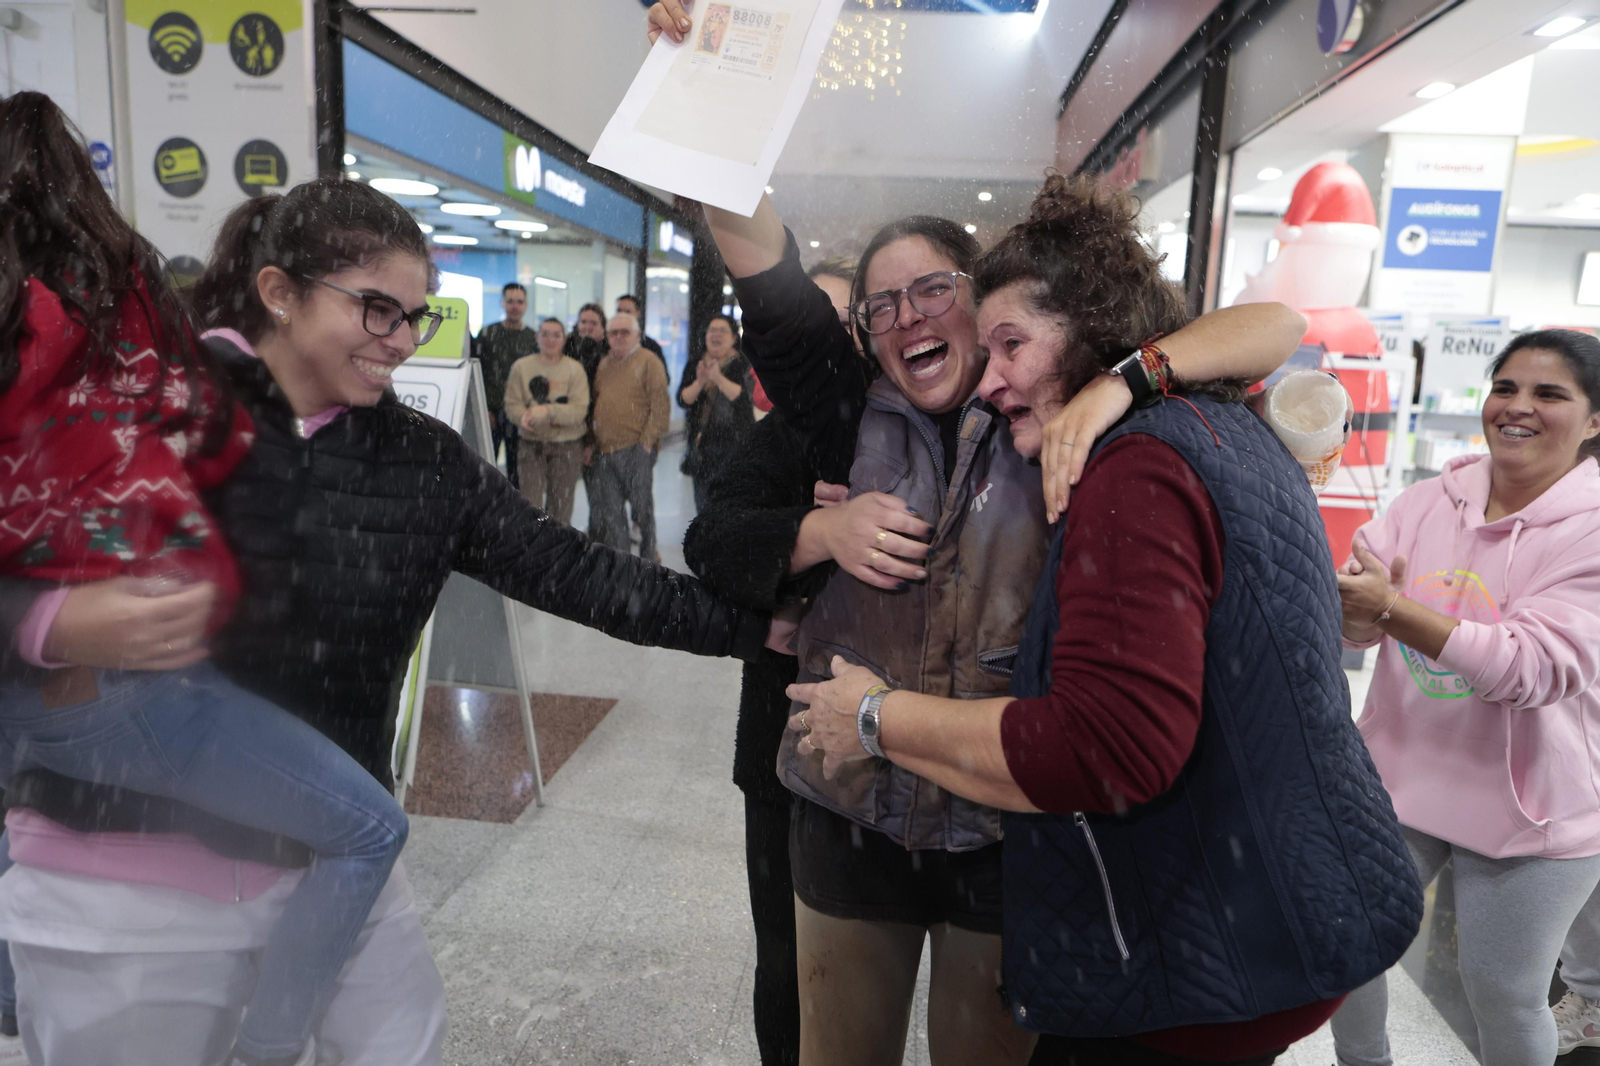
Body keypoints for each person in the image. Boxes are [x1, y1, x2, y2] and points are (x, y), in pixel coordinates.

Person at [0, 174, 779, 1066]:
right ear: (280, 292)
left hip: (332, 870)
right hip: (118, 891)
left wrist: (749, 626)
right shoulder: (137, 406)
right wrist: (51, 626)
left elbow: (574, 570)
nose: (403, 343)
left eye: (418, 317)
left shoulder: (421, 459)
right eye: (378, 311)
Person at [669, 150, 1311, 1066]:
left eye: (932, 290)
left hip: (1004, 828)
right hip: (852, 814)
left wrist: (1122, 382)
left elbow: (1277, 326)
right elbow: (768, 285)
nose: (908, 317)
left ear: (983, 298)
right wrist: (711, 119)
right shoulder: (844, 407)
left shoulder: (1060, 404)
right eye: (881, 307)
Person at [785, 174, 1424, 1065]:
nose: (993, 372)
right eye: (881, 304)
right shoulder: (1210, 418)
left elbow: (1104, 748)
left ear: (1083, 327)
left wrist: (870, 716)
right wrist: (813, 535)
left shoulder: (1129, 466)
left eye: (1003, 338)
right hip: (1273, 894)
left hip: (1200, 927)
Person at [0, 90, 413, 1066]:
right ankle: (267, 1048)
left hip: (41, 698)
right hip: (130, 694)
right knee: (367, 828)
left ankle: (12, 984)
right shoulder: (122, 305)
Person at [1329, 329, 1600, 1066]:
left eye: (1550, 394)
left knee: (1503, 994)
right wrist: (1359, 612)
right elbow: (1362, 604)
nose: (1518, 407)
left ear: (1596, 420)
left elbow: (1531, 670)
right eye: (1506, 387)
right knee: (1342, 941)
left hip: (1537, 806)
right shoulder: (1426, 501)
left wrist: (1393, 612)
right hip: (1404, 777)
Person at [681, 257, 864, 1066]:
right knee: (785, 962)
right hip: (782, 749)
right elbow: (709, 538)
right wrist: (810, 534)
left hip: (908, 753)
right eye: (792, 325)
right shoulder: (778, 436)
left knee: (873, 971)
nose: (809, 347)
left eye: (832, 325)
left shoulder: (921, 424)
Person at [589, 311, 670, 561]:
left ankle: (648, 559)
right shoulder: (604, 364)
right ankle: (623, 563)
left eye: (625, 332)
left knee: (642, 510)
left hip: (637, 448)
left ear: (637, 335)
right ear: (607, 336)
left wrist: (648, 442)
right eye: (614, 332)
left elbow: (660, 404)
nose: (619, 337)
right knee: (612, 513)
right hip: (605, 450)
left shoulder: (649, 361)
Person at [504, 316, 589, 523]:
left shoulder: (575, 369)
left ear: (564, 338)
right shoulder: (521, 367)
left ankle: (558, 551)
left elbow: (578, 411)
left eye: (556, 335)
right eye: (545, 334)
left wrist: (547, 411)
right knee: (530, 505)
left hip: (566, 445)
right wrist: (521, 416)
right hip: (531, 444)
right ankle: (533, 551)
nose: (550, 339)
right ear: (537, 337)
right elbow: (511, 404)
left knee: (561, 506)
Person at [678, 314, 754, 511]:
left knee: (729, 504)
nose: (716, 335)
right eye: (712, 330)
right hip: (702, 446)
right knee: (702, 503)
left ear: (733, 338)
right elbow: (683, 399)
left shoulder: (742, 364)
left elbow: (744, 401)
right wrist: (700, 382)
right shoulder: (696, 363)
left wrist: (718, 378)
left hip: (734, 446)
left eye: (723, 330)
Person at [473, 282, 540, 488]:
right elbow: (477, 374)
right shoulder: (487, 334)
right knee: (485, 466)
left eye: (519, 302)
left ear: (526, 305)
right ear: (502, 303)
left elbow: (537, 380)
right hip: (491, 412)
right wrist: (484, 410)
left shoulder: (533, 338)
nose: (514, 306)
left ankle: (512, 515)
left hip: (521, 415)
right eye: (510, 301)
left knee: (517, 470)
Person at [616, 294, 668, 373]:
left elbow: (662, 378)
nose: (622, 315)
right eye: (619, 311)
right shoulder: (608, 343)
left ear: (638, 314)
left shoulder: (651, 346)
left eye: (627, 311)